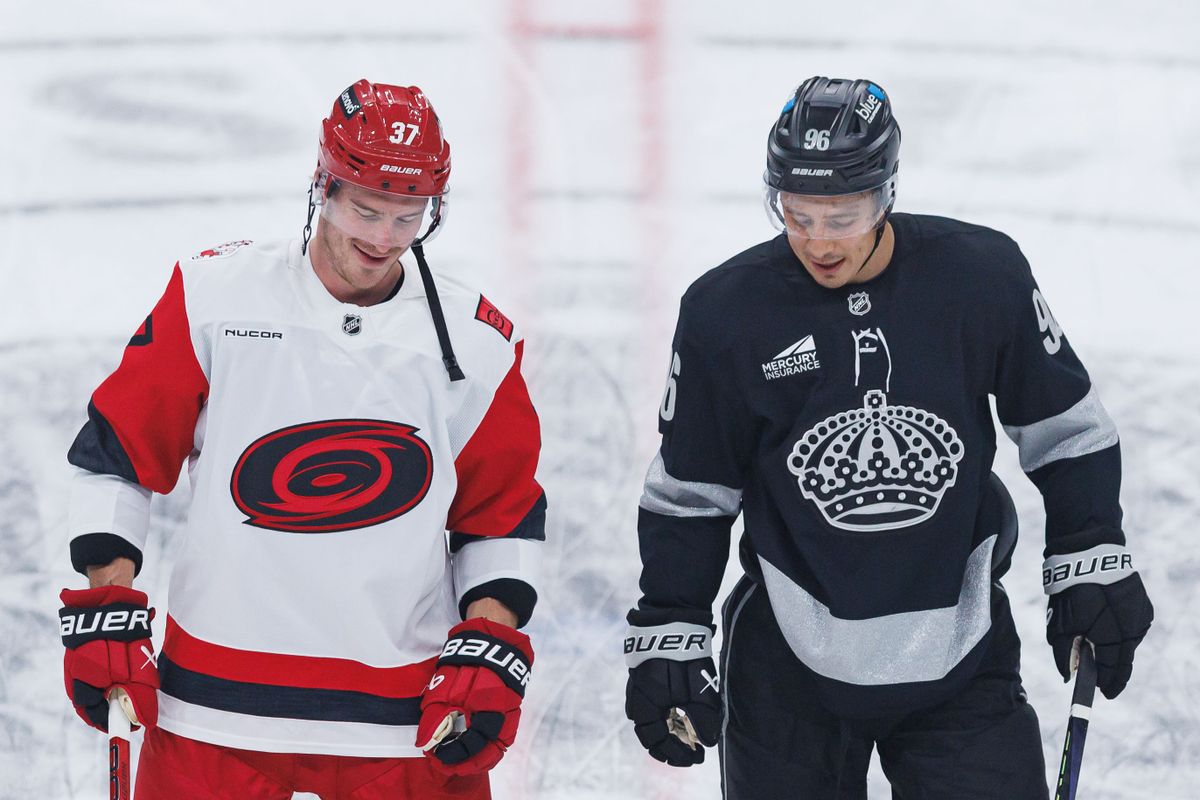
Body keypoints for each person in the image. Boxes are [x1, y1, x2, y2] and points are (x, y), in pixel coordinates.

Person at [623, 76, 1154, 798]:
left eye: (842, 216)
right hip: (786, 667)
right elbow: (691, 494)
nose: (817, 241)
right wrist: (670, 629)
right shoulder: (727, 311)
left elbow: (1067, 431)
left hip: (959, 655)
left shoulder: (981, 278)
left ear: (886, 192)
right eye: (797, 215)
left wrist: (1090, 550)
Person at [57, 79, 546, 799]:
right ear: (324, 184)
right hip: (211, 710)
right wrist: (105, 601)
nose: (382, 240)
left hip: (403, 720)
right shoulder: (214, 296)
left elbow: (501, 516)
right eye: (366, 209)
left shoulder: (476, 344)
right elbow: (116, 454)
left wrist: (491, 642)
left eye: (408, 218)